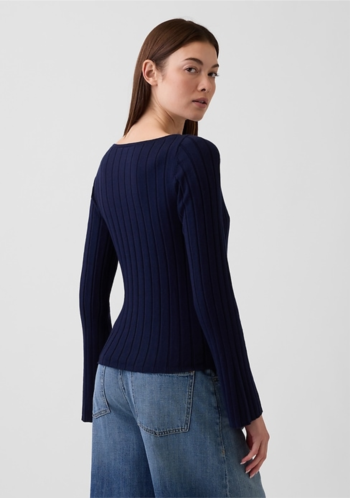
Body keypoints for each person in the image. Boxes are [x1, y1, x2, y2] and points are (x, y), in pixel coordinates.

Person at [79, 18, 269, 498]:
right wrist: (247, 406)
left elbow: (90, 292)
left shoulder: (110, 162)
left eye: (213, 73)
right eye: (191, 69)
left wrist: (94, 396)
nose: (206, 84)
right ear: (151, 73)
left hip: (112, 380)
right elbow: (212, 293)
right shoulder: (191, 156)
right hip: (178, 382)